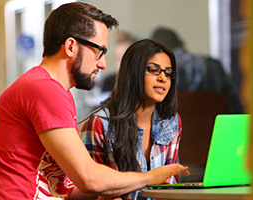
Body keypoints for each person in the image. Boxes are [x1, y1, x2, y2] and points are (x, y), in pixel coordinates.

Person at [0, 3, 189, 200]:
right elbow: (89, 180)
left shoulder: (52, 91)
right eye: (99, 51)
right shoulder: (44, 90)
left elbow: (69, 187)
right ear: (71, 46)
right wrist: (150, 177)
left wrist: (112, 192)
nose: (102, 64)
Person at [78, 39, 181, 200]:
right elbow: (89, 189)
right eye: (154, 70)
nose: (163, 78)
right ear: (134, 72)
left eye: (168, 73)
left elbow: (171, 182)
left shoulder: (171, 120)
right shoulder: (99, 123)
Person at [152, 27, 243, 113]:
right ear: (182, 44)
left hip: (173, 129)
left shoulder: (158, 71)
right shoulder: (214, 64)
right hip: (214, 128)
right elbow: (237, 107)